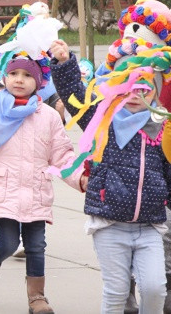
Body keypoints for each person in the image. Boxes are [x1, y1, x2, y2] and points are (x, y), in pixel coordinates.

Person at [0, 51, 84, 313]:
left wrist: (82, 178)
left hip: (36, 191)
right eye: (13, 73)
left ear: (39, 81)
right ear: (4, 76)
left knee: (36, 246)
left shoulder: (47, 115)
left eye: (27, 75)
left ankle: (37, 296)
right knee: (8, 243)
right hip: (4, 190)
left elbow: (62, 155)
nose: (19, 79)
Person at [52, 39, 171, 311]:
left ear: (155, 92)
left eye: (144, 88)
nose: (135, 94)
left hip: (150, 226)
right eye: (127, 87)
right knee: (117, 292)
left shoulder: (162, 128)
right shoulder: (102, 122)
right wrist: (63, 62)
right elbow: (74, 95)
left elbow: (169, 172)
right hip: (109, 225)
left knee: (155, 289)